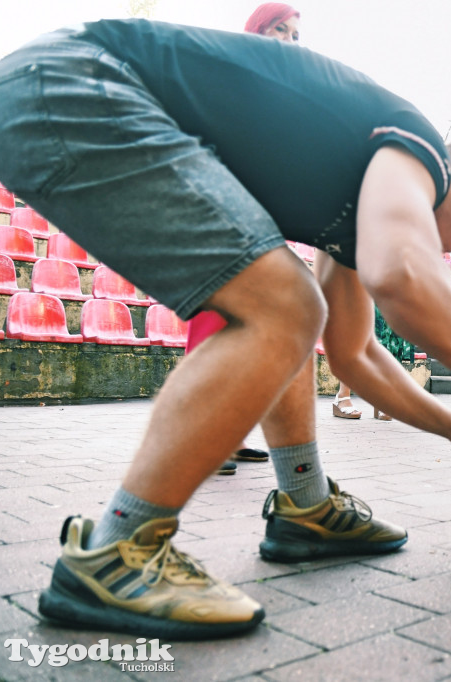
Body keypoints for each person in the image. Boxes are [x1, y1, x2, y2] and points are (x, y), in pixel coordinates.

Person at [0, 19, 451, 638]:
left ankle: (304, 508)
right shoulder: (415, 146)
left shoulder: (365, 213)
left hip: (52, 92)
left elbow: (354, 355)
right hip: (76, 81)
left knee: (291, 307)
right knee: (285, 305)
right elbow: (401, 273)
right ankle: (115, 552)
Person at [186, 2, 307, 475]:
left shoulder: (282, 90)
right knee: (212, 325)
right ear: (257, 30)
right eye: (281, 30)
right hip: (216, 214)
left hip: (255, 219)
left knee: (242, 326)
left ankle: (228, 436)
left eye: (296, 36)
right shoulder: (232, 74)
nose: (290, 42)